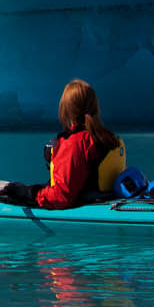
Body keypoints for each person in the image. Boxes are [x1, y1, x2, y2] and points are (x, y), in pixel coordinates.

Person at [34, 78, 121, 210]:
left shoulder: (74, 143)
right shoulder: (107, 137)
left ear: (66, 108)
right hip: (105, 199)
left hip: (83, 205)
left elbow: (62, 197)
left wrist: (29, 193)